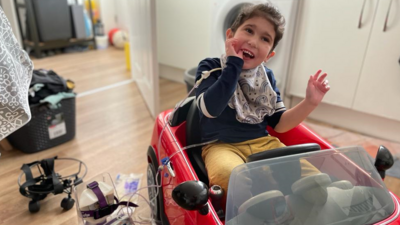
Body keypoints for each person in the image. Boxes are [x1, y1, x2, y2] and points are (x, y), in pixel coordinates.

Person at [195, 3, 330, 203]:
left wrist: (309, 102)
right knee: (230, 177)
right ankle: (254, 210)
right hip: (221, 145)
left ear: (269, 55)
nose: (253, 41)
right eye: (249, 30)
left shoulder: (266, 77)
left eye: (265, 39)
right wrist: (233, 65)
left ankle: (291, 206)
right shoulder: (211, 67)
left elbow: (280, 124)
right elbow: (210, 109)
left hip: (263, 143)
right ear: (230, 35)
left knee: (314, 183)